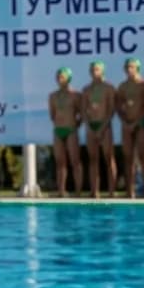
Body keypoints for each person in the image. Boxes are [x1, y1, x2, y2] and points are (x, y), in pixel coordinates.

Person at [81, 60, 117, 198]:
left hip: (105, 125)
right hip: (92, 125)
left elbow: (111, 110)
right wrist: (89, 126)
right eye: (92, 70)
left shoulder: (109, 88)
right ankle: (94, 191)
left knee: (109, 158)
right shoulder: (86, 89)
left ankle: (111, 191)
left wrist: (102, 127)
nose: (94, 72)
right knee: (93, 159)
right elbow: (84, 110)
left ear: (102, 71)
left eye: (97, 69)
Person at [116, 57, 144, 197]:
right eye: (127, 67)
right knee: (128, 158)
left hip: (140, 123)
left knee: (143, 157)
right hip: (127, 124)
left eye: (132, 67)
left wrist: (135, 122)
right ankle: (130, 190)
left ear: (137, 68)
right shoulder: (122, 86)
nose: (129, 69)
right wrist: (125, 122)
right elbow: (119, 106)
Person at [48, 67, 82, 196]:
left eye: (62, 76)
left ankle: (78, 191)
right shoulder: (53, 96)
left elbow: (81, 113)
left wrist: (76, 124)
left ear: (68, 78)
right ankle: (61, 190)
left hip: (71, 129)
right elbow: (52, 115)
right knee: (60, 162)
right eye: (58, 76)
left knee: (75, 161)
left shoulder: (75, 95)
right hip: (58, 130)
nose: (59, 79)